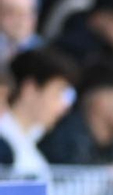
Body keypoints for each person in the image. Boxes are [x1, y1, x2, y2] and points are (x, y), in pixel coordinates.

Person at [0, 47, 76, 176]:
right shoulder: (5, 145)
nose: (63, 106)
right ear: (30, 89)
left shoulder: (33, 146)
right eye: (58, 93)